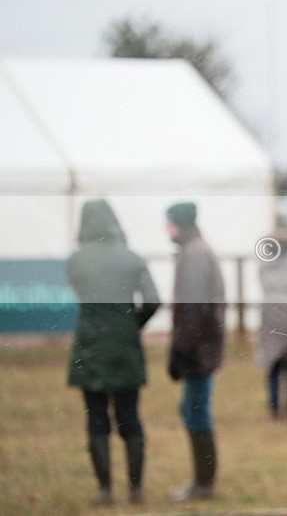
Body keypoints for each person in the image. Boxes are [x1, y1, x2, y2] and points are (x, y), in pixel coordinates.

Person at [67, 199, 160, 505]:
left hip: (89, 347)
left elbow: (80, 291)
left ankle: (104, 490)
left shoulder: (76, 260)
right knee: (129, 418)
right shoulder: (132, 259)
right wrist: (132, 325)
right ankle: (135, 489)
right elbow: (154, 300)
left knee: (96, 420)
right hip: (124, 348)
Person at [165, 201, 226, 500]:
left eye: (169, 222)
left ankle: (203, 484)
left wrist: (180, 350)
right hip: (199, 347)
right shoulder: (195, 251)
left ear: (180, 223)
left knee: (197, 414)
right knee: (192, 411)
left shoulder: (195, 254)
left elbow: (193, 310)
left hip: (198, 350)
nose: (166, 229)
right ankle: (202, 481)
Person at [254, 226, 287, 419]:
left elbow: (262, 283)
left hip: (270, 317)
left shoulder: (265, 263)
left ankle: (274, 408)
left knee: (273, 365)